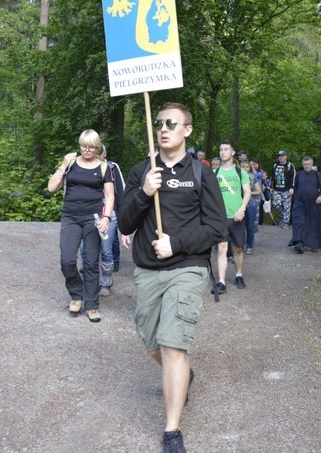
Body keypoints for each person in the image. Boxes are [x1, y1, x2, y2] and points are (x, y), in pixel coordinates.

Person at [117, 102, 227, 453]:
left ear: (187, 131)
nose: (164, 128)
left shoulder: (200, 173)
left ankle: (172, 431)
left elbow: (216, 227)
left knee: (172, 344)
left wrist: (175, 244)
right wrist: (144, 193)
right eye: (160, 123)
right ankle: (183, 375)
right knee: (153, 344)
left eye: (172, 123)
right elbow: (124, 223)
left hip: (187, 268)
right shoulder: (140, 172)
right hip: (148, 271)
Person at [46, 129, 114, 323]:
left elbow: (110, 196)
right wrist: (63, 165)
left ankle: (91, 305)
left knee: (91, 262)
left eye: (91, 147)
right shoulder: (71, 164)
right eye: (84, 145)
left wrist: (107, 218)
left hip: (93, 218)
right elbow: (51, 188)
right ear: (80, 145)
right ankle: (77, 295)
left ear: (97, 148)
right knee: (67, 260)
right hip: (70, 217)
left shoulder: (103, 168)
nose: (87, 150)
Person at [214, 140, 251, 293]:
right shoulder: (214, 173)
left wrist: (242, 209)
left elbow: (247, 191)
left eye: (226, 149)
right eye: (221, 149)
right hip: (220, 217)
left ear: (232, 152)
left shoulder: (240, 172)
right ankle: (221, 282)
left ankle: (239, 274)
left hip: (237, 216)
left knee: (237, 248)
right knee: (222, 248)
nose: (223, 152)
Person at [97, 145, 131, 296]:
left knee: (108, 245)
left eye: (100, 152)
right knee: (86, 247)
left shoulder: (112, 167)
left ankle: (107, 279)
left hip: (110, 211)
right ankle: (91, 277)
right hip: (91, 213)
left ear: (104, 153)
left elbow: (121, 189)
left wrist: (121, 210)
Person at [287, 156, 321, 253]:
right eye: (305, 164)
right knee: (299, 222)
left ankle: (313, 244)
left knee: (313, 223)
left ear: (312, 165)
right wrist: (291, 190)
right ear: (303, 165)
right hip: (300, 202)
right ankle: (299, 243)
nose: (307, 166)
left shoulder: (317, 174)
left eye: (308, 164)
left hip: (314, 203)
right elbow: (294, 186)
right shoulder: (299, 175)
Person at [270, 150, 296, 229]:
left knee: (287, 207)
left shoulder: (290, 165)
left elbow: (293, 177)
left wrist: (292, 188)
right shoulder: (275, 165)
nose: (280, 157)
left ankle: (286, 222)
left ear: (286, 157)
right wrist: (271, 187)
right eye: (279, 156)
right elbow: (272, 177)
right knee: (276, 204)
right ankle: (283, 217)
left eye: (282, 156)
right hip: (277, 189)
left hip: (286, 189)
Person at [243, 160, 262, 254]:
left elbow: (259, 191)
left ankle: (250, 245)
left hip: (251, 203)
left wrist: (249, 193)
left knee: (250, 225)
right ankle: (239, 245)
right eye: (243, 167)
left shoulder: (252, 176)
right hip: (239, 203)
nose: (245, 168)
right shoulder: (236, 177)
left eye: (247, 167)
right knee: (239, 226)